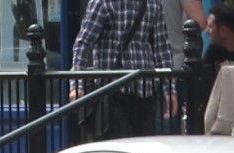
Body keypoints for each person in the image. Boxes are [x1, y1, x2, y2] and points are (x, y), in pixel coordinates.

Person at [69, 0, 175, 139]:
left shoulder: (152, 3)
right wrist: (77, 85)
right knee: (124, 147)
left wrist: (170, 89)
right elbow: (83, 44)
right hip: (115, 90)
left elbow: (162, 47)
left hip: (142, 89)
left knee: (138, 149)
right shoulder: (103, 3)